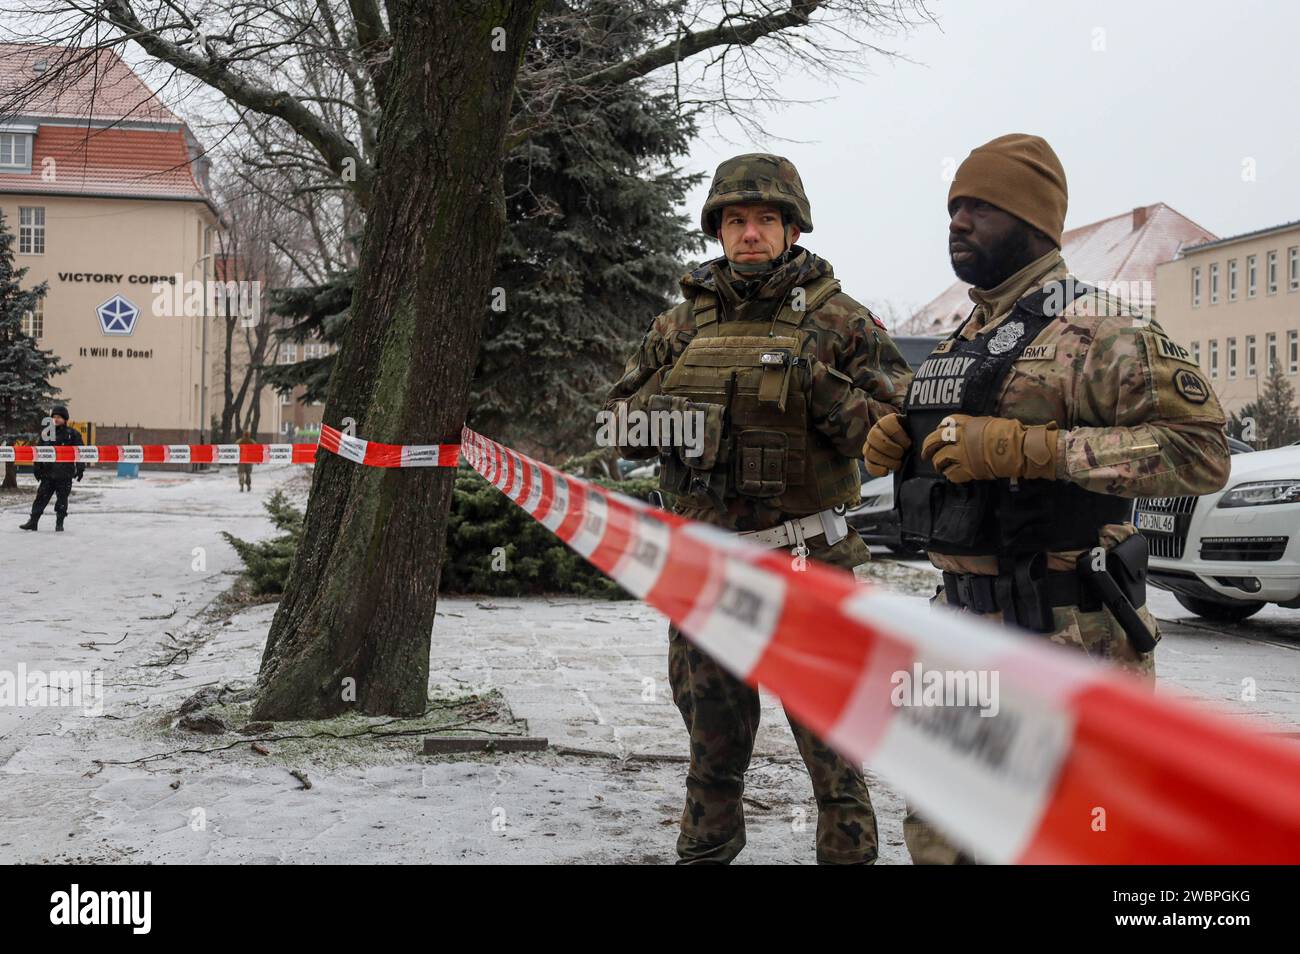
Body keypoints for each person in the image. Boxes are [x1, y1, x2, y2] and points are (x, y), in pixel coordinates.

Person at [862, 133, 1231, 864]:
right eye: (952, 207)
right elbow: (952, 455)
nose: (957, 222)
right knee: (942, 837)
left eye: (979, 207)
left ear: (1033, 221)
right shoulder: (959, 341)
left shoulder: (1104, 329)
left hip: (1067, 633)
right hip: (958, 631)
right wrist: (901, 441)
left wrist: (1037, 450)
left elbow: (1202, 453)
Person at [605, 153, 913, 864]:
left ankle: (848, 856)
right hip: (709, 562)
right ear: (717, 229)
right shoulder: (678, 326)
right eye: (737, 220)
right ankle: (706, 851)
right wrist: (675, 406)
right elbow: (615, 428)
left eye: (766, 220)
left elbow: (903, 430)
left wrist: (822, 392)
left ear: (792, 228)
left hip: (811, 556)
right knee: (711, 736)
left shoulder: (840, 319)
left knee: (833, 737)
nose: (751, 233)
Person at [19, 404, 85, 533]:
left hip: (64, 475)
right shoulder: (47, 434)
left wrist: (80, 468)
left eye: (59, 417)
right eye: (54, 417)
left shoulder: (72, 434)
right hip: (48, 474)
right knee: (40, 499)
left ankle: (59, 523)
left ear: (65, 419)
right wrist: (37, 468)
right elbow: (38, 452)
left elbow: (80, 452)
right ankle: (33, 522)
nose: (56, 419)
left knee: (62, 501)